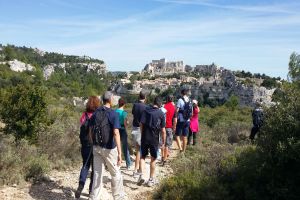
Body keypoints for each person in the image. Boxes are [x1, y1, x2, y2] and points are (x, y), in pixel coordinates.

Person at [89, 91, 125, 200]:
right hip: (109, 149)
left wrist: (93, 144)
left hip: (96, 147)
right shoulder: (113, 113)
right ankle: (118, 197)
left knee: (97, 174)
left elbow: (90, 130)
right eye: (113, 98)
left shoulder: (95, 112)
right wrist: (119, 153)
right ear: (109, 99)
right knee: (115, 173)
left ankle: (94, 197)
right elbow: (116, 133)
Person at [137, 96, 166, 187]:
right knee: (153, 159)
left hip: (145, 137)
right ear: (160, 104)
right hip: (154, 139)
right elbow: (163, 130)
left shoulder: (146, 111)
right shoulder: (161, 113)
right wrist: (163, 142)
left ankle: (141, 175)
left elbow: (141, 124)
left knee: (142, 156)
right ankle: (150, 179)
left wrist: (142, 133)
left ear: (153, 102)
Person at [75, 96, 100, 199]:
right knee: (95, 169)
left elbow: (81, 126)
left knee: (85, 165)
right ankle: (91, 190)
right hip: (95, 145)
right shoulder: (98, 115)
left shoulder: (84, 115)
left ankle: (80, 186)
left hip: (85, 144)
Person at [131, 91, 148, 177]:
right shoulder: (146, 107)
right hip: (142, 130)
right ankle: (138, 170)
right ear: (145, 97)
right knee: (140, 151)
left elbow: (133, 114)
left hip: (134, 128)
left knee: (138, 150)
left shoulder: (135, 105)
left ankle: (136, 169)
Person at [174, 88, 193, 153]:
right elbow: (192, 112)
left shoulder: (180, 100)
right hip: (187, 121)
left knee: (177, 135)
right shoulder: (190, 100)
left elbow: (177, 110)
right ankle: (184, 151)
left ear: (181, 93)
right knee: (185, 136)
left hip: (181, 120)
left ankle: (181, 149)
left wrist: (175, 118)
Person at [115, 98, 132, 169]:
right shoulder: (124, 113)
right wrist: (127, 123)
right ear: (124, 104)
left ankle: (116, 163)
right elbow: (126, 123)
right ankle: (128, 164)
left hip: (116, 129)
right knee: (125, 147)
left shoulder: (115, 111)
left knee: (116, 147)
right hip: (122, 129)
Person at [162, 95, 176, 165]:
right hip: (169, 127)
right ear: (172, 99)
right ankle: (164, 159)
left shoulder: (164, 106)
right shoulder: (174, 108)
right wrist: (174, 128)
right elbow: (175, 120)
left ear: (167, 99)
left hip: (162, 127)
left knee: (162, 143)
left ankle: (162, 156)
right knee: (167, 144)